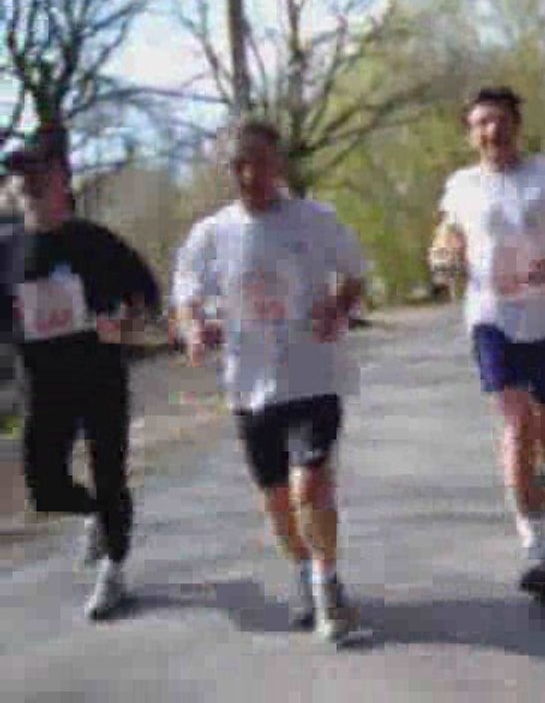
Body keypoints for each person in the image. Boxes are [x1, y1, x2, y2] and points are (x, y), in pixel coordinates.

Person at [172, 119, 367, 641]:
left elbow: (355, 272)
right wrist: (194, 330)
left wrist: (339, 307)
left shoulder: (314, 220)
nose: (251, 174)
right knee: (277, 503)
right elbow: (186, 295)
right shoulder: (212, 234)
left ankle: (328, 587)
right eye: (240, 164)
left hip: (313, 375)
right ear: (230, 170)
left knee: (311, 485)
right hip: (249, 383)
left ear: (278, 164)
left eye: (261, 161)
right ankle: (305, 569)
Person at [429, 87, 545, 601]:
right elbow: (448, 235)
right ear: (471, 133)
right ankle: (535, 548)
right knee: (516, 424)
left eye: (500, 121)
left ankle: (539, 503)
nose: (491, 131)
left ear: (516, 125)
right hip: (491, 316)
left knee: (543, 434)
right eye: (480, 123)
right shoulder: (462, 185)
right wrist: (443, 256)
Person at [2, 124, 161, 620]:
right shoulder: (5, 250)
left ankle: (113, 569)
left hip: (99, 379)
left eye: (37, 172)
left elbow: (147, 297)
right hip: (43, 387)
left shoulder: (95, 243)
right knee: (44, 484)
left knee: (110, 472)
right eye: (18, 174)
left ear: (62, 181)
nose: (26, 183)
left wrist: (127, 324)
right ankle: (96, 515)